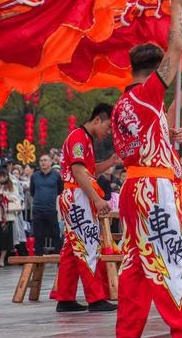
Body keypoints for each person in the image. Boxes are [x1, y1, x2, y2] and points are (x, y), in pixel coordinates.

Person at [112, 0, 182, 338]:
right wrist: (176, 6)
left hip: (135, 187)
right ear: (152, 74)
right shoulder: (147, 94)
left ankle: (128, 330)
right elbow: (176, 49)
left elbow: (154, 126)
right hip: (154, 191)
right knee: (171, 256)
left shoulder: (123, 106)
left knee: (135, 263)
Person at [53, 103, 119, 313]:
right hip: (77, 196)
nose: (108, 132)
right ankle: (95, 298)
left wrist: (110, 161)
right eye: (108, 127)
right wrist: (97, 200)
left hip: (77, 195)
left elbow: (89, 170)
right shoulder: (78, 137)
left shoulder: (85, 140)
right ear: (97, 120)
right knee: (89, 246)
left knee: (72, 250)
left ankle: (65, 297)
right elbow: (79, 172)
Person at [30, 154, 63, 255]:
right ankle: (38, 260)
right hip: (38, 210)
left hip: (51, 210)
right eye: (41, 160)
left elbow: (60, 190)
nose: (43, 162)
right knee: (38, 236)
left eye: (45, 160)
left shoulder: (56, 176)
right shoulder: (34, 176)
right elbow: (32, 191)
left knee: (56, 235)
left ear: (50, 162)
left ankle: (59, 258)